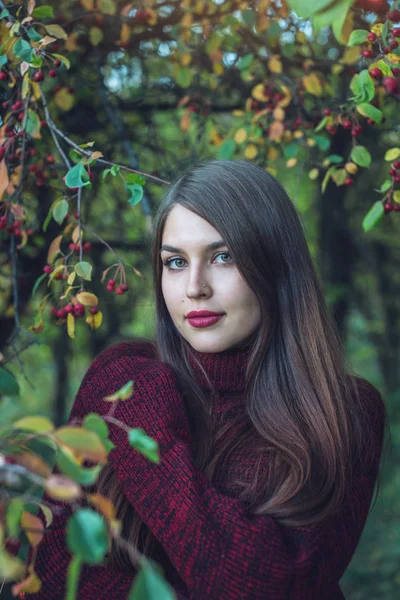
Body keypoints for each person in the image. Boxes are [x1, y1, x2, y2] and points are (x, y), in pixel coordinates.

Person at [27, 159, 388, 599]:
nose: (195, 287)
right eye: (175, 262)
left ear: (274, 265)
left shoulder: (342, 410)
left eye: (222, 257)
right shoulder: (121, 380)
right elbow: (54, 566)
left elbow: (272, 586)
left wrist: (151, 444)